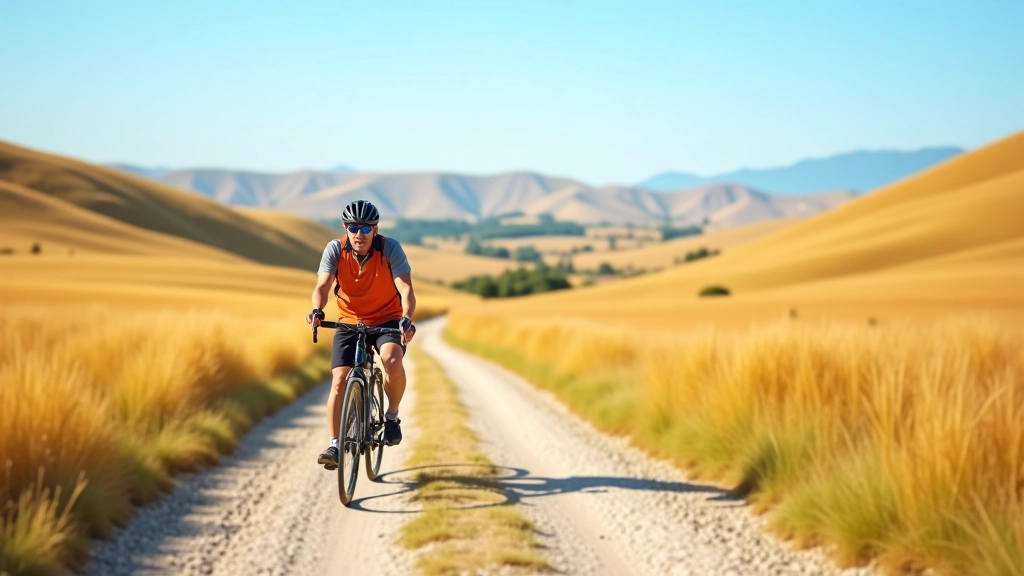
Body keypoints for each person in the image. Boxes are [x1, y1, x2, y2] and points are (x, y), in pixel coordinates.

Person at [306, 199, 416, 470]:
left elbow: (406, 289)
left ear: (375, 230)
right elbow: (323, 285)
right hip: (348, 320)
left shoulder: (390, 249)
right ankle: (335, 443)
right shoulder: (335, 249)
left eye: (366, 228)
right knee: (340, 380)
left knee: (392, 360)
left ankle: (391, 417)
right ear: (345, 228)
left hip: (386, 318)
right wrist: (317, 310)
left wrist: (406, 318)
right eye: (353, 227)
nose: (359, 234)